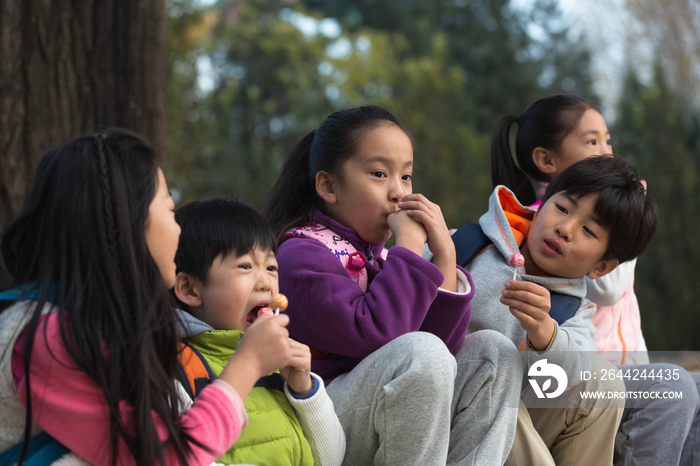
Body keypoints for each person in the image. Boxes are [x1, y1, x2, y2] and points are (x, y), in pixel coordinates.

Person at [0, 129, 295, 465]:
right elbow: (163, 457)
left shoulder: (99, 324)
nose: (178, 229)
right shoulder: (43, 335)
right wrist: (248, 365)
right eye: (170, 210)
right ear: (128, 226)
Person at [264, 105, 522, 465]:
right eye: (380, 173)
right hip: (322, 418)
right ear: (328, 185)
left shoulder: (382, 259)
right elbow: (378, 334)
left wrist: (445, 256)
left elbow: (442, 351)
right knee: (422, 353)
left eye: (406, 177)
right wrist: (411, 249)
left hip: (377, 403)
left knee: (494, 352)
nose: (398, 193)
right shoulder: (300, 253)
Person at [490, 95, 700, 465]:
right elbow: (605, 288)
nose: (606, 152)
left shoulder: (581, 217)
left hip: (607, 368)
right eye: (591, 142)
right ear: (547, 161)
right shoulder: (542, 219)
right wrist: (625, 234)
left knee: (689, 388)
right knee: (673, 385)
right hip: (579, 372)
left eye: (607, 140)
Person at [172, 197, 345, 466]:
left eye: (271, 267)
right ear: (190, 289)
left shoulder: (278, 366)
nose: (266, 282)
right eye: (245, 266)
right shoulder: (175, 367)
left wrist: (305, 391)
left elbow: (331, 460)